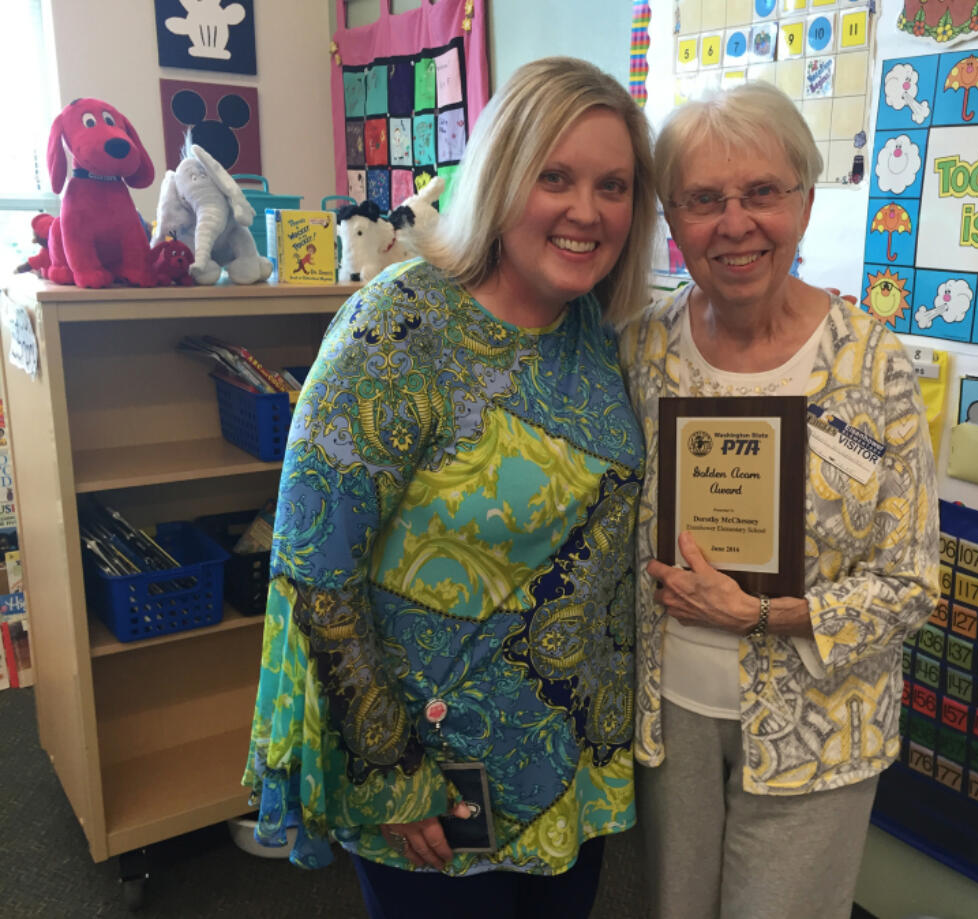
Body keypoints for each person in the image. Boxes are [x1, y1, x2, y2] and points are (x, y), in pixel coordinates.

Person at [243, 56, 655, 919]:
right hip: (429, 778)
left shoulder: (597, 329)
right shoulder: (399, 324)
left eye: (613, 185)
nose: (588, 210)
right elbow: (314, 566)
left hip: (567, 768)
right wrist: (391, 764)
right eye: (556, 176)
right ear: (502, 176)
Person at [618, 81, 939, 919]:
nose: (735, 222)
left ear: (802, 198)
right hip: (669, 721)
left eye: (762, 191)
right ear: (673, 218)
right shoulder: (641, 351)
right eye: (702, 199)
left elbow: (910, 585)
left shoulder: (872, 365)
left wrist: (763, 615)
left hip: (821, 729)